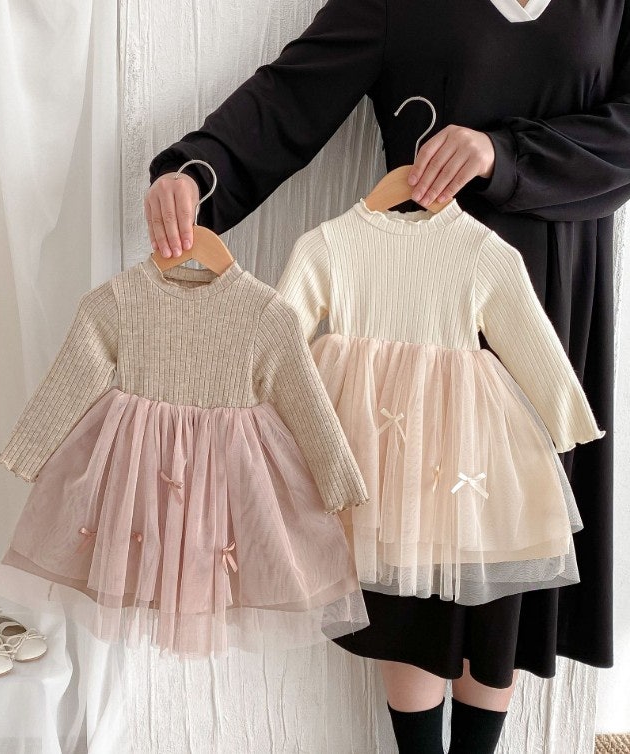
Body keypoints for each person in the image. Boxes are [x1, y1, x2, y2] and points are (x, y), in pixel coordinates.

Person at [144, 2, 630, 752]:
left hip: (553, 290)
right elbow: (288, 98)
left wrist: (502, 154)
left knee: (507, 565)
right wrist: (191, 175)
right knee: (413, 564)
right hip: (409, 300)